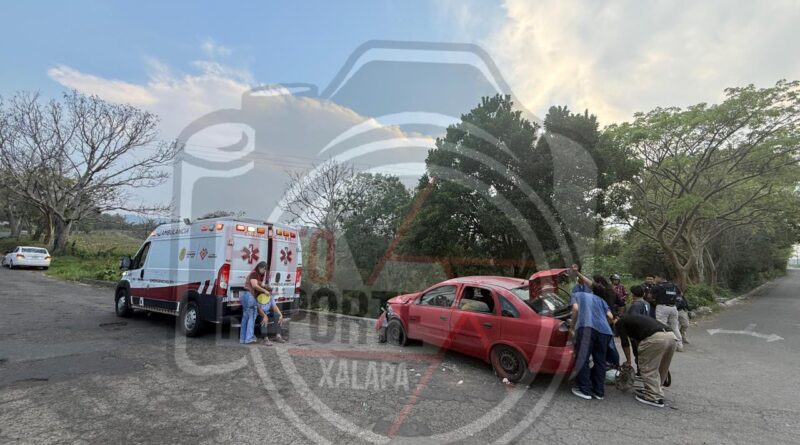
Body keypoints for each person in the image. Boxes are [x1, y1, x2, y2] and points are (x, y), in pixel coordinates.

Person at [569, 265, 616, 401]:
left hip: (587, 328)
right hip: (605, 332)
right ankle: (599, 392)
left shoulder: (576, 294)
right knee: (600, 361)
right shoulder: (601, 299)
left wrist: (572, 327)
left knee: (583, 359)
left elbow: (576, 309)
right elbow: (611, 317)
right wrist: (601, 325)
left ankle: (585, 390)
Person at [615, 314, 678, 408]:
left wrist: (628, 361)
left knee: (648, 367)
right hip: (671, 336)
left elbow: (625, 343)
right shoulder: (636, 320)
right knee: (662, 366)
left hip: (655, 338)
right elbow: (636, 343)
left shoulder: (620, 322)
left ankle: (653, 397)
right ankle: (656, 389)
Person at [240, 261, 272, 345]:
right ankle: (249, 338)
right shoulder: (254, 274)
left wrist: (266, 287)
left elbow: (260, 284)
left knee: (245, 318)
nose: (264, 272)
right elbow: (254, 285)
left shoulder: (255, 275)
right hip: (249, 296)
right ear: (260, 268)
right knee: (251, 317)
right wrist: (265, 290)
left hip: (245, 295)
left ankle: (243, 339)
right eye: (264, 270)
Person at [651, 272, 684, 352]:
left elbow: (650, 296)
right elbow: (681, 294)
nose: (655, 279)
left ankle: (663, 346)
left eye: (656, 277)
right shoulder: (674, 285)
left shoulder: (657, 286)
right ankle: (679, 345)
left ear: (660, 278)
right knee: (675, 327)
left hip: (662, 307)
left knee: (661, 326)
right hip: (673, 308)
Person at [626, 285, 651, 375]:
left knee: (638, 352)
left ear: (633, 294)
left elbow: (633, 319)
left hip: (637, 332)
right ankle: (644, 370)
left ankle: (641, 371)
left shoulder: (636, 305)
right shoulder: (646, 303)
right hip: (646, 331)